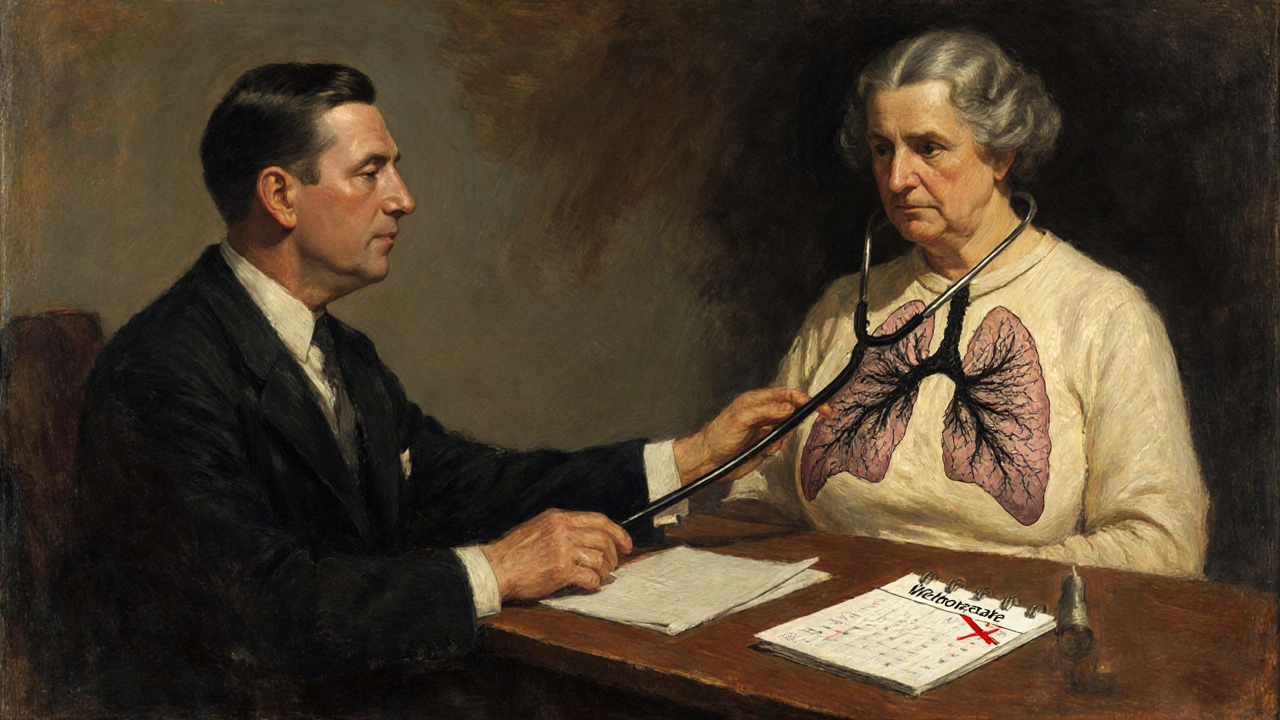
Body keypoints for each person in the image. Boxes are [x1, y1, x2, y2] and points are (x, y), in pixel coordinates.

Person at [69, 62, 808, 710]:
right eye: (371, 172)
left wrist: (685, 458)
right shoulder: (163, 369)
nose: (403, 199)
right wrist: (494, 570)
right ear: (281, 196)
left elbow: (465, 485)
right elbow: (258, 608)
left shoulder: (338, 353)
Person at [723, 30, 1208, 578]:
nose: (898, 179)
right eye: (883, 149)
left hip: (1013, 627)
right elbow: (760, 494)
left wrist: (971, 580)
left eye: (928, 148)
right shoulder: (841, 308)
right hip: (830, 619)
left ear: (1000, 155)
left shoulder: (1105, 313)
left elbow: (1163, 545)